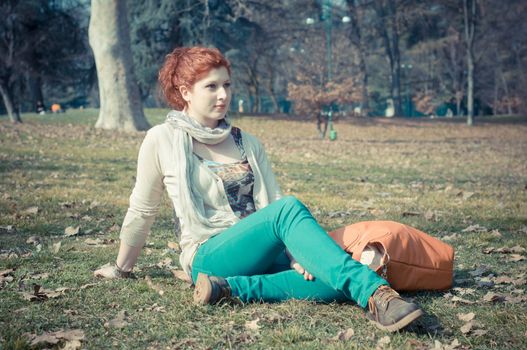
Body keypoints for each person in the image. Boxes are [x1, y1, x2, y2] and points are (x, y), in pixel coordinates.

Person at [94, 46, 424, 332]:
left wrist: (300, 256)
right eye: (211, 86)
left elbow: (271, 204)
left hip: (264, 250)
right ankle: (378, 295)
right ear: (184, 92)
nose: (223, 95)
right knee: (295, 214)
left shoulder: (247, 143)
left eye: (226, 85)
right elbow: (142, 208)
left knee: (332, 279)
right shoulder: (161, 140)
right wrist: (122, 268)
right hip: (210, 253)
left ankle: (233, 290)